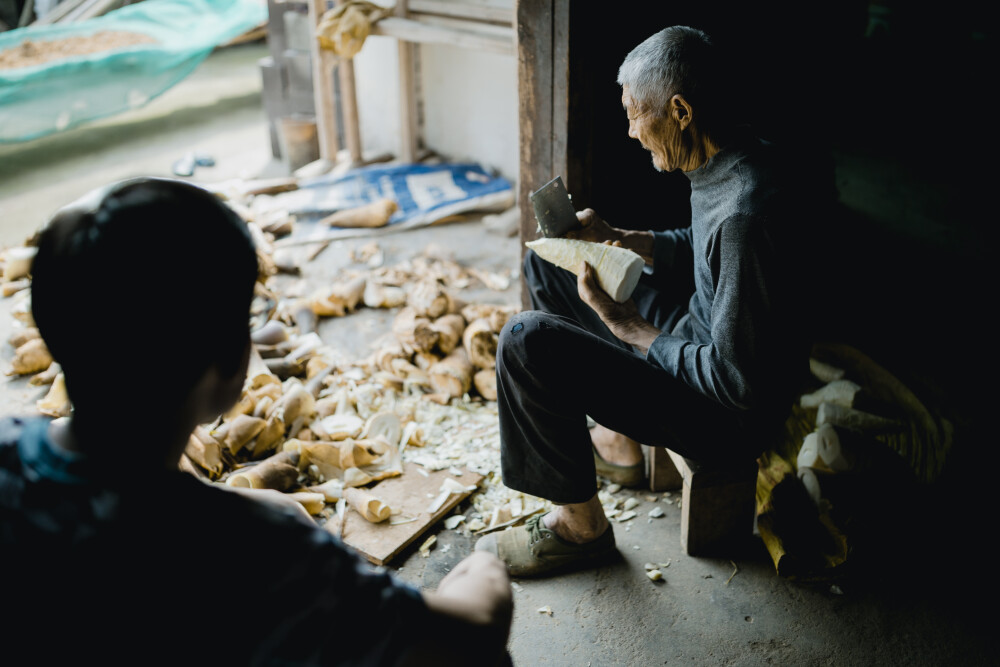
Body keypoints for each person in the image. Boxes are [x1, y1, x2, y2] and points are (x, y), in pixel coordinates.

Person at [1, 177, 513, 665]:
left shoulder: (10, 450)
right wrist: (486, 566)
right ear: (225, 358)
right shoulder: (259, 558)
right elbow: (470, 634)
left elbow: (112, 499)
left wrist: (237, 505)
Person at [476, 25, 815, 576]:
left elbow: (741, 384)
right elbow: (703, 251)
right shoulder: (731, 159)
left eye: (637, 114)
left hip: (724, 414)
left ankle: (580, 528)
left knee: (525, 341)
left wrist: (629, 327)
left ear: (679, 111)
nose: (632, 132)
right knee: (549, 260)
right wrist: (627, 239)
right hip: (696, 337)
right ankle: (620, 444)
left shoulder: (747, 218)